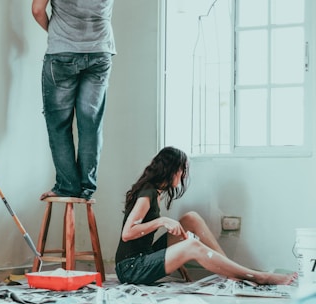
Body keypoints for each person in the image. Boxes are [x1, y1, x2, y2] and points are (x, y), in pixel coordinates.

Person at [115, 146, 297, 285]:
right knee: (191, 245)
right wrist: (161, 221)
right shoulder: (148, 193)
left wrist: (175, 259)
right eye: (182, 169)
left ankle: (229, 271)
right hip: (131, 268)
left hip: (144, 257)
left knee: (190, 218)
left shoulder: (156, 192)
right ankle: (261, 277)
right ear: (172, 169)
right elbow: (127, 233)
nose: (184, 174)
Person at [31, 0, 116, 200]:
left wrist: (54, 32)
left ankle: (68, 186)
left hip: (62, 52)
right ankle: (86, 187)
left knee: (59, 125)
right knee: (91, 123)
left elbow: (37, 10)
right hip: (100, 51)